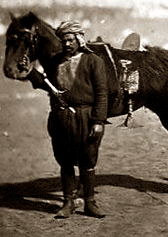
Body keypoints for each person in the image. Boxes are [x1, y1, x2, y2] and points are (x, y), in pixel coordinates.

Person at [40, 21, 108, 218]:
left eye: (70, 40)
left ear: (79, 39)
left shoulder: (93, 61)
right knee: (65, 160)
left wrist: (98, 121)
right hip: (61, 117)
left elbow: (102, 93)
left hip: (86, 117)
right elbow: (48, 86)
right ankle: (68, 203)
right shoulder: (55, 62)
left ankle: (90, 203)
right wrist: (32, 74)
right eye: (63, 40)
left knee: (87, 160)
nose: (67, 44)